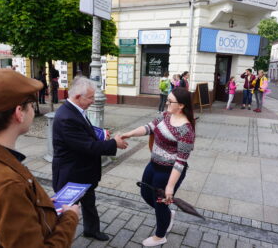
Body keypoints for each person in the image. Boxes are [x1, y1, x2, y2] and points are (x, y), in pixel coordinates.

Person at [0, 69, 80, 247]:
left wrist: (37, 205)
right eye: (31, 104)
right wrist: (70, 218)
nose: (32, 110)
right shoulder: (8, 185)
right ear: (19, 113)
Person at [52, 76, 128, 241]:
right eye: (91, 97)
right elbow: (88, 146)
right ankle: (56, 240)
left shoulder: (75, 111)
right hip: (71, 175)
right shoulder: (66, 117)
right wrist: (114, 143)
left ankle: (91, 230)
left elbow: (85, 132)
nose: (94, 101)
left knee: (89, 204)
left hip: (83, 172)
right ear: (78, 97)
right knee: (65, 210)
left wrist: (100, 133)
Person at [121, 87, 195, 247]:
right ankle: (168, 215)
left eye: (170, 101)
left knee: (160, 203)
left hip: (169, 172)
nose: (166, 102)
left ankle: (160, 235)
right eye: (167, 99)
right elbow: (149, 127)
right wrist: (129, 133)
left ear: (181, 105)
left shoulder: (186, 130)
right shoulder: (165, 115)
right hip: (153, 165)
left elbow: (181, 161)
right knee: (145, 193)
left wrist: (170, 186)